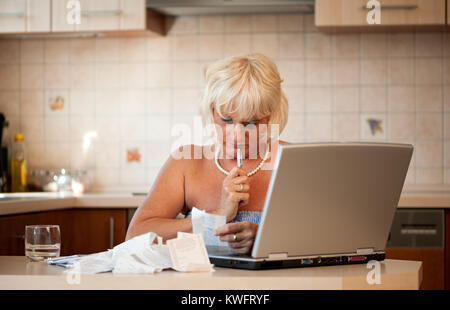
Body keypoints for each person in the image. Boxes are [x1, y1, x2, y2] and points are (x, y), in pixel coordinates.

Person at [126, 53, 289, 254]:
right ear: (211, 111)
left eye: (251, 123)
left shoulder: (292, 161)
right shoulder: (186, 162)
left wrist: (265, 238)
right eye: (227, 120)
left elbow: (332, 237)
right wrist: (216, 216)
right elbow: (135, 236)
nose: (236, 136)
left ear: (270, 118)